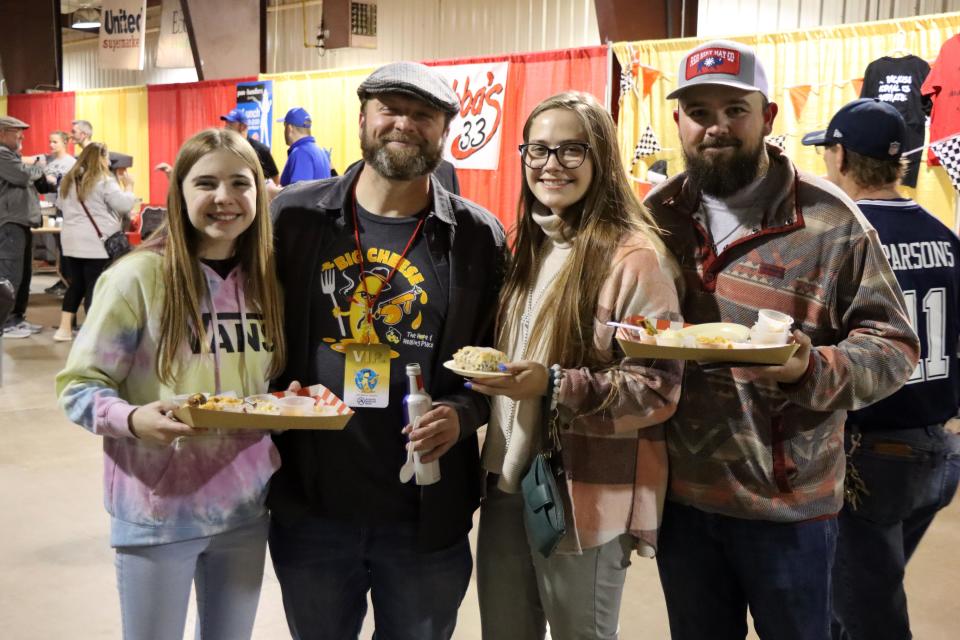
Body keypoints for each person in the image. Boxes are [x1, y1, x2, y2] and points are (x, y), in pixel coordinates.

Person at [644, 40, 920, 640]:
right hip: (682, 499)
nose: (716, 127)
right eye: (699, 112)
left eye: (734, 110)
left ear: (768, 117)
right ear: (678, 122)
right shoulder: (658, 214)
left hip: (789, 508)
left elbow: (895, 346)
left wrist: (809, 370)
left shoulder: (830, 219)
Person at [268, 61, 507, 640]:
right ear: (362, 119)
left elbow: (495, 357)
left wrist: (465, 412)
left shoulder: (478, 235)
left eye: (422, 114)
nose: (404, 124)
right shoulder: (293, 218)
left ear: (444, 130)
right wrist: (276, 394)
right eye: (389, 109)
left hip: (426, 515)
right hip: (312, 506)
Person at [55, 128, 286, 640]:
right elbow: (78, 386)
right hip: (157, 509)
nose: (224, 198)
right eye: (206, 183)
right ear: (180, 192)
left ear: (259, 193)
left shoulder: (267, 280)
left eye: (239, 183)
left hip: (245, 508)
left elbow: (266, 384)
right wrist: (133, 419)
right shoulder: (137, 278)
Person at [468, 91, 683, 639]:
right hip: (507, 481)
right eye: (537, 150)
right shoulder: (529, 247)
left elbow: (657, 388)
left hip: (584, 485)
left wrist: (556, 383)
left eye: (571, 150)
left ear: (602, 158)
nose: (551, 165)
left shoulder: (633, 257)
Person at [802, 98, 960, 640]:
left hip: (870, 452)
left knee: (869, 614)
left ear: (841, 155)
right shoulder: (943, 235)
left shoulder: (847, 237)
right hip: (937, 449)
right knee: (843, 603)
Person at [53, 143, 136, 342]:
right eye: (107, 158)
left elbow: (60, 205)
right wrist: (130, 186)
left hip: (71, 241)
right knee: (95, 285)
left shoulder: (68, 180)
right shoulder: (104, 181)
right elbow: (124, 205)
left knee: (76, 285)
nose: (109, 162)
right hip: (96, 243)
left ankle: (64, 330)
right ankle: (92, 332)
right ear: (100, 158)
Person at [0, 115, 44, 339]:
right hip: (9, 224)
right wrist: (38, 168)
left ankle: (17, 318)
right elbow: (21, 176)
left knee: (24, 274)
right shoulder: (2, 155)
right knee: (10, 274)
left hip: (20, 222)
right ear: (2, 133)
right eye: (16, 131)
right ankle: (5, 322)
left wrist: (30, 168)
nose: (21, 135)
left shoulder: (11, 156)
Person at [220, 108, 280, 185]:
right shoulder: (226, 149)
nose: (226, 127)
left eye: (230, 124)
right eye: (226, 123)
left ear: (243, 127)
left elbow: (275, 178)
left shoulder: (261, 150)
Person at [277, 107, 331, 186]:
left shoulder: (300, 153)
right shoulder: (320, 152)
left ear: (289, 128)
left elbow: (298, 194)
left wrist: (272, 191)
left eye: (284, 126)